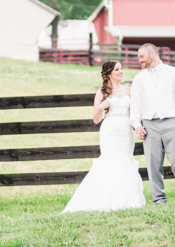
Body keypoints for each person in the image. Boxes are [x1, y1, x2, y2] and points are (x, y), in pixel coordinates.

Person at [62, 61, 146, 213]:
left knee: (125, 160)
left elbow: (135, 112)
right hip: (110, 131)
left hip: (126, 132)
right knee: (110, 161)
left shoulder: (128, 90)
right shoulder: (101, 92)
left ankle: (127, 199)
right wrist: (101, 106)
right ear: (109, 74)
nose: (121, 71)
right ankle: (103, 198)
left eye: (121, 69)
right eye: (117, 69)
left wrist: (138, 126)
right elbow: (96, 119)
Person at [130, 43, 175, 204]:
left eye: (141, 56)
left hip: (172, 122)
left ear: (152, 54)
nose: (139, 60)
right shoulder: (139, 78)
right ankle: (158, 198)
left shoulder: (174, 73)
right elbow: (136, 103)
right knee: (153, 164)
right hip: (149, 125)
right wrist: (137, 125)